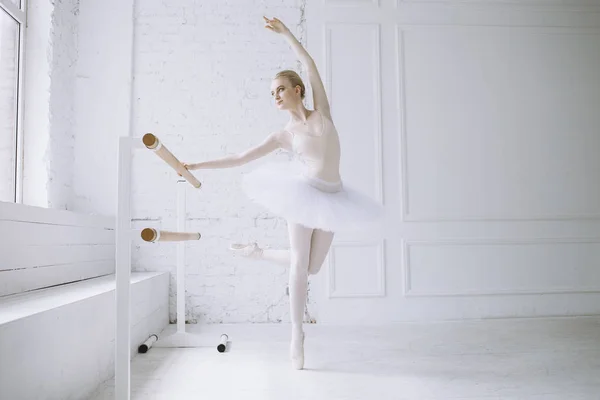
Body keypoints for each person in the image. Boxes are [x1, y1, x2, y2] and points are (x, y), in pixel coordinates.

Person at [183, 16, 383, 370]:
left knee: (313, 266)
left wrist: (287, 34)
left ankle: (258, 253)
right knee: (299, 267)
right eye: (272, 92)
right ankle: (296, 334)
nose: (275, 96)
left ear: (298, 91)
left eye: (280, 89)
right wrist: (198, 165)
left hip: (334, 197)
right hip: (304, 196)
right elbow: (240, 157)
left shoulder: (322, 112)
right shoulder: (283, 135)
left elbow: (309, 64)